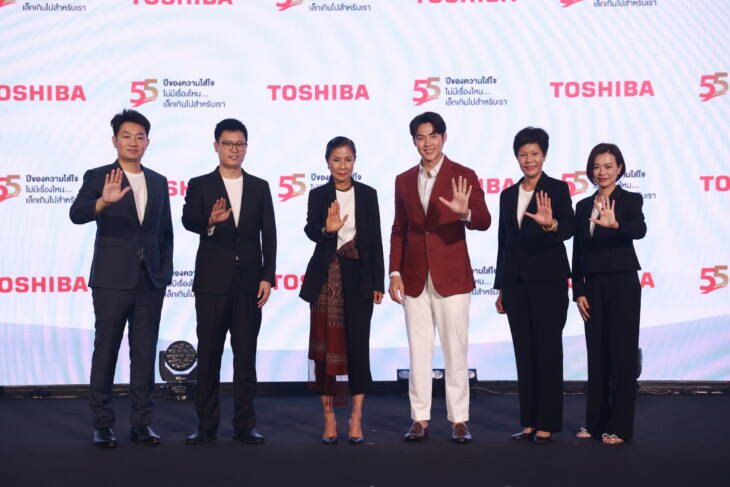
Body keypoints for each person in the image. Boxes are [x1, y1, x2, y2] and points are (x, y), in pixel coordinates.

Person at [70, 109, 173, 448]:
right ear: (115, 140)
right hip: (112, 280)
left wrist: (163, 272)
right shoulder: (99, 176)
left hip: (150, 281)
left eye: (140, 136)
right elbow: (76, 213)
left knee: (144, 353)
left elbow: (165, 233)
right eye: (126, 136)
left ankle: (142, 424)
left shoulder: (158, 181)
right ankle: (102, 424)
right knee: (107, 351)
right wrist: (102, 201)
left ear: (147, 142)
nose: (133, 142)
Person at [389, 112, 491, 444]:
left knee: (455, 350)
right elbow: (399, 229)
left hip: (452, 276)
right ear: (414, 141)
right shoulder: (403, 180)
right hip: (414, 276)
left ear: (444, 137)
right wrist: (395, 272)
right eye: (420, 137)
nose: (427, 143)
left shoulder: (464, 174)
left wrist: (466, 213)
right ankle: (419, 418)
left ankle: (459, 419)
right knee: (418, 351)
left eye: (433, 135)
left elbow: (484, 220)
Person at [182, 118, 276, 445]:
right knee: (209, 356)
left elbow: (269, 236)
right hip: (212, 284)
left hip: (249, 284)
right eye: (228, 144)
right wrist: (209, 220)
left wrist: (267, 277)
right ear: (216, 146)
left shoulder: (260, 186)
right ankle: (206, 425)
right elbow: (188, 219)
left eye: (240, 144)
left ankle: (245, 425)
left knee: (245, 356)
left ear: (246, 148)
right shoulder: (200, 184)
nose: (234, 149)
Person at [299, 136, 385, 445]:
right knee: (325, 351)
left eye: (348, 159)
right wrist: (327, 229)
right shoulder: (318, 194)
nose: (342, 166)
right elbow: (311, 230)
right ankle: (329, 416)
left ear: (355, 161)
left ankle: (356, 416)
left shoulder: (368, 194)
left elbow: (375, 240)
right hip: (326, 277)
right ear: (327, 162)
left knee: (358, 348)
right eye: (336, 159)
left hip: (359, 277)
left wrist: (378, 282)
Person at [494, 127, 574, 444]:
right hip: (516, 285)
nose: (529, 160)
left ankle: (547, 422)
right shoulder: (507, 195)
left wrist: (550, 223)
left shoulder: (557, 189)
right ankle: (528, 421)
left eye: (535, 154)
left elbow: (568, 228)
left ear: (545, 155)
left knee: (548, 352)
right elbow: (503, 242)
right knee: (524, 353)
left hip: (548, 283)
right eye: (523, 154)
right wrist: (502, 287)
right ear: (517, 157)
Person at [572, 143, 646, 445]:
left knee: (622, 356)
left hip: (623, 283)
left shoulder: (630, 200)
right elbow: (577, 251)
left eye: (608, 166)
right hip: (593, 287)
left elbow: (639, 229)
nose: (601, 172)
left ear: (619, 169)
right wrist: (578, 291)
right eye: (596, 166)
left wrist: (616, 225)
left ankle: (620, 427)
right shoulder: (582, 206)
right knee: (597, 355)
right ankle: (596, 422)